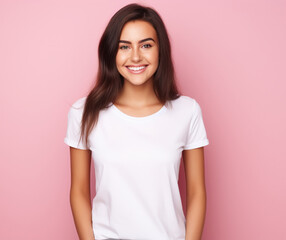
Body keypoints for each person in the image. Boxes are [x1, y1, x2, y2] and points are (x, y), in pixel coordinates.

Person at [64, 3, 209, 240]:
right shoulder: (83, 112)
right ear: (112, 52)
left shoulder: (187, 111)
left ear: (160, 50)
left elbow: (197, 193)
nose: (135, 56)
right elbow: (78, 191)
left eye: (146, 45)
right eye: (124, 46)